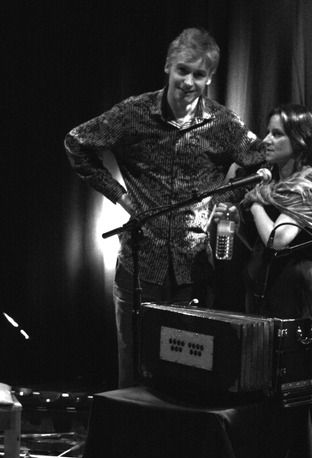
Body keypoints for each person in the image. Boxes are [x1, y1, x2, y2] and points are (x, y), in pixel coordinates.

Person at [64, 27, 266, 388]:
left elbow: (259, 160)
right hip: (140, 265)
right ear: (168, 66)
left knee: (188, 375)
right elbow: (76, 143)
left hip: (195, 268)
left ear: (209, 78)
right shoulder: (134, 113)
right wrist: (120, 196)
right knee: (134, 373)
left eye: (199, 74)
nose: (189, 82)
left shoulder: (222, 123)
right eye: (183, 70)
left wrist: (223, 202)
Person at [216, 103, 312, 319]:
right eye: (268, 132)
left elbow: (276, 239)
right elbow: (260, 246)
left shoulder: (307, 187)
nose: (266, 140)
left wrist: (256, 203)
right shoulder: (271, 185)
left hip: (293, 301)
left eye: (276, 134)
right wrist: (238, 224)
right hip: (261, 295)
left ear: (300, 140)